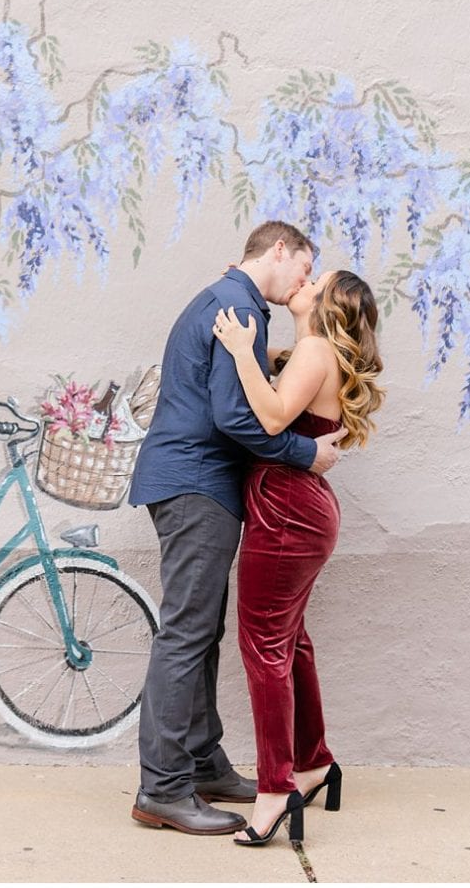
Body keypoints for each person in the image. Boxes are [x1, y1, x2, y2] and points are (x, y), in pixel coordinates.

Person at [127, 220, 342, 837]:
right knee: (186, 633)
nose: (307, 277)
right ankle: (162, 789)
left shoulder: (236, 303)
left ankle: (203, 764)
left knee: (202, 630)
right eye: (306, 264)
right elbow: (233, 417)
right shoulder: (237, 306)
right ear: (279, 250)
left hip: (199, 483)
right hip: (195, 482)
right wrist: (306, 456)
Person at [213, 268, 385, 847]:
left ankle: (275, 788)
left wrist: (241, 350)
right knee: (290, 642)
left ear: (328, 303)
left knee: (262, 646)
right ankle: (312, 762)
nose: (305, 280)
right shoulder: (312, 351)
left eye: (319, 278)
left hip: (287, 507)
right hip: (301, 506)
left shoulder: (315, 349)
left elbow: (270, 417)